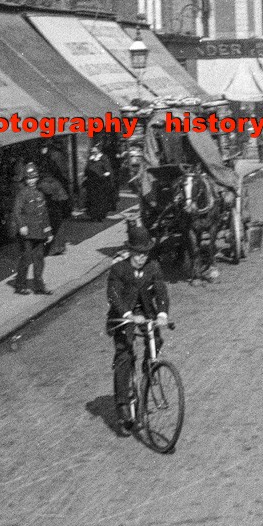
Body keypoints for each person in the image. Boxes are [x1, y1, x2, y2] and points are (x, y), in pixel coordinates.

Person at [106, 224, 171, 433]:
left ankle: (148, 370)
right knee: (124, 354)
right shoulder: (119, 269)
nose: (142, 258)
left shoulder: (153, 267)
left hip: (146, 313)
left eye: (145, 253)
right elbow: (113, 295)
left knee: (157, 340)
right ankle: (123, 404)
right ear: (130, 251)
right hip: (123, 316)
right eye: (138, 254)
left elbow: (161, 290)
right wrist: (128, 315)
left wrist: (162, 313)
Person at [11, 163, 53, 294]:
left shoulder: (40, 194)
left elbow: (44, 213)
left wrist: (48, 231)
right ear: (25, 179)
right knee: (26, 258)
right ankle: (20, 285)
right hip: (27, 232)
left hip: (39, 232)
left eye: (34, 177)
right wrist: (21, 225)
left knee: (39, 259)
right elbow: (16, 211)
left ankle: (39, 286)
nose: (32, 180)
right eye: (29, 178)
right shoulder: (22, 194)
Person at [37, 148, 71, 256]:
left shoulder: (44, 182)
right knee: (57, 224)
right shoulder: (55, 180)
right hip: (56, 202)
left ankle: (53, 248)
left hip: (51, 203)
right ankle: (59, 247)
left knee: (51, 224)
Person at [83, 144, 117, 222]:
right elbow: (87, 169)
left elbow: (108, 170)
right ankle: (93, 215)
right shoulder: (91, 159)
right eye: (92, 151)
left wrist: (104, 175)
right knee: (92, 199)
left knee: (100, 199)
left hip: (101, 183)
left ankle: (100, 216)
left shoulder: (103, 158)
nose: (93, 152)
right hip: (91, 183)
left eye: (94, 150)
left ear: (98, 150)